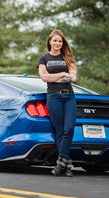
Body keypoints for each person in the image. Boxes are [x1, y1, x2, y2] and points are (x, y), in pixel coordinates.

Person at [38, 29, 77, 177]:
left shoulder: (68, 58)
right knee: (60, 131)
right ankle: (67, 165)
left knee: (69, 129)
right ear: (50, 41)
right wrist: (62, 74)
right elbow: (44, 77)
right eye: (55, 40)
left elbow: (73, 78)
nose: (57, 43)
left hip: (69, 97)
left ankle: (61, 162)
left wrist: (53, 76)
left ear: (63, 43)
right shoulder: (43, 59)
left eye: (60, 41)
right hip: (53, 97)